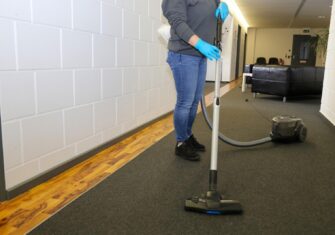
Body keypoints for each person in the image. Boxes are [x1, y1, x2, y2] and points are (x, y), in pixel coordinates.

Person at [162, 0, 229, 161]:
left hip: (199, 56)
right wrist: (200, 44)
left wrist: (223, 6)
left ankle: (187, 135)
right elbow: (178, 22)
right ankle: (180, 142)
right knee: (185, 101)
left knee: (194, 101)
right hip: (183, 54)